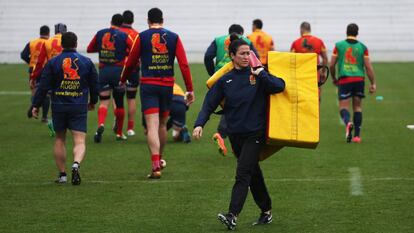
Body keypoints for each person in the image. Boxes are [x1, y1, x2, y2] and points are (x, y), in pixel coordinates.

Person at [193, 34, 285, 230]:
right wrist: (199, 123)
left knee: (243, 173)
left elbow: (280, 86)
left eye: (248, 53)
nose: (246, 56)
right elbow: (208, 104)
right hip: (236, 136)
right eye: (242, 54)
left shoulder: (259, 75)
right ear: (232, 56)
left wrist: (262, 73)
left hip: (255, 135)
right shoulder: (225, 80)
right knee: (253, 174)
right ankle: (266, 211)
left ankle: (232, 215)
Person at [121, 7, 195, 179]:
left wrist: (123, 78)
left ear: (148, 21)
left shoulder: (141, 36)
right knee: (162, 124)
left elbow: (131, 61)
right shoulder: (174, 37)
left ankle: (155, 163)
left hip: (148, 86)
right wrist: (189, 89)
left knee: (152, 125)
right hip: (167, 86)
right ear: (163, 20)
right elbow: (184, 64)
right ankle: (160, 159)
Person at [30, 32, 99, 185]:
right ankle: (76, 164)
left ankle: (62, 175)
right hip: (79, 105)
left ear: (62, 45)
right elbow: (95, 85)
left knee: (60, 139)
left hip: (59, 106)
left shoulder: (53, 62)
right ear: (76, 43)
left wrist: (35, 105)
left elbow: (43, 86)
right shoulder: (86, 62)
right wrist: (93, 101)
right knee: (79, 141)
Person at [204, 24, 258, 156]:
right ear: (241, 33)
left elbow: (207, 56)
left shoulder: (218, 39)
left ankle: (234, 143)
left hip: (219, 76)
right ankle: (222, 134)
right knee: (236, 106)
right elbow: (255, 58)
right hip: (236, 76)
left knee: (227, 105)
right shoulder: (246, 41)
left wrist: (212, 73)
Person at [87, 14, 134, 142]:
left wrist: (103, 49)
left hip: (103, 71)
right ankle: (119, 133)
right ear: (121, 24)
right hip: (118, 72)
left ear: (111, 21)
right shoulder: (124, 35)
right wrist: (124, 52)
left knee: (103, 101)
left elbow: (89, 49)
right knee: (119, 103)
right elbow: (134, 49)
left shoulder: (100, 33)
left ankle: (101, 124)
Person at [330, 23, 376, 143]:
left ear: (346, 32)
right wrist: (373, 83)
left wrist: (334, 77)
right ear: (357, 33)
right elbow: (368, 67)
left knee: (343, 107)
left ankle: (347, 123)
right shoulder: (363, 47)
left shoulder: (339, 45)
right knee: (357, 107)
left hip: (345, 79)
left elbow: (331, 64)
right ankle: (357, 136)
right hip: (359, 80)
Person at [112, 10, 140, 137]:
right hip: (133, 68)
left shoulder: (117, 33)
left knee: (116, 97)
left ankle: (117, 121)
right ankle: (130, 128)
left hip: (119, 68)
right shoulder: (136, 35)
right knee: (131, 97)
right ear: (132, 21)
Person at [20, 25, 50, 123]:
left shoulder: (32, 42)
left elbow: (23, 55)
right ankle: (44, 117)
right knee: (46, 93)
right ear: (48, 33)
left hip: (33, 69)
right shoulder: (48, 43)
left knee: (34, 91)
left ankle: (34, 107)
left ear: (40, 33)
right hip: (45, 69)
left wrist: (31, 62)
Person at [291, 21, 328, 95]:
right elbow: (325, 58)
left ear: (301, 30)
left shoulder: (295, 43)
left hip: (301, 75)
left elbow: (291, 60)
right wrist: (323, 72)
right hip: (315, 74)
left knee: (302, 97)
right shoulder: (319, 41)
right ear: (309, 29)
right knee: (316, 96)